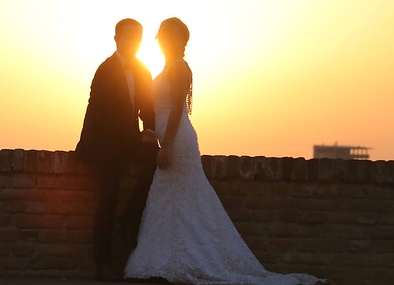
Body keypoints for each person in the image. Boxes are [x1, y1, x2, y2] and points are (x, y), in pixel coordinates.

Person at [124, 17, 325, 285]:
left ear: (178, 40)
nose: (164, 41)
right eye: (162, 37)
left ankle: (182, 260)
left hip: (178, 141)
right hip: (166, 137)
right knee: (170, 201)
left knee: (183, 200)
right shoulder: (166, 68)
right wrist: (152, 133)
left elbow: (176, 110)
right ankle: (167, 260)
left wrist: (168, 144)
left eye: (168, 37)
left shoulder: (180, 68)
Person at [76, 18, 159, 282]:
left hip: (126, 141)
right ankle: (103, 262)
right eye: (127, 38)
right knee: (110, 194)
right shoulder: (105, 71)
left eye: (137, 38)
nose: (133, 43)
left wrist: (152, 133)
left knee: (158, 160)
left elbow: (147, 109)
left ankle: (129, 217)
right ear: (116, 40)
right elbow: (102, 118)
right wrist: (136, 138)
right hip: (101, 144)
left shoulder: (143, 71)